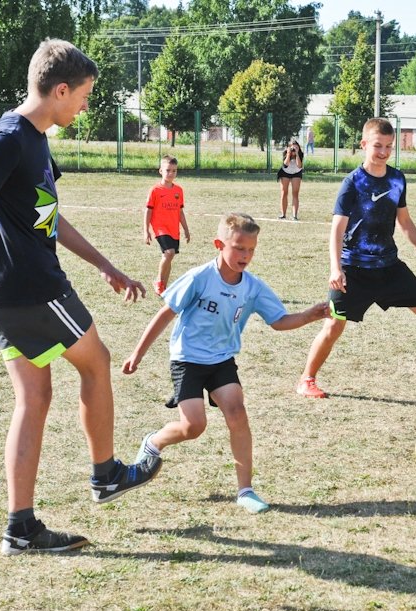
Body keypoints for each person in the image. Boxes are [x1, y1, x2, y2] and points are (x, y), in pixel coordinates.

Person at [0, 39, 158, 556]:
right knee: (96, 363)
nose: (86, 106)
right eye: (85, 95)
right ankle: (107, 473)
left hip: (5, 292)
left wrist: (104, 265)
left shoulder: (35, 139)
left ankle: (20, 528)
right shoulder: (9, 139)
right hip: (28, 289)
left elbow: (47, 214)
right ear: (61, 89)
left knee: (35, 397)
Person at [123, 213, 328, 513]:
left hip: (221, 360)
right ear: (220, 244)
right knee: (194, 427)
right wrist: (137, 353)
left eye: (251, 249)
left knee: (237, 412)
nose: (246, 255)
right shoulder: (199, 278)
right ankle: (154, 442)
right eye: (239, 248)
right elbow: (166, 314)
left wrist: (309, 315)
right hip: (188, 359)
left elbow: (279, 320)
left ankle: (245, 490)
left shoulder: (253, 287)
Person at [295, 117, 416, 399]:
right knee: (334, 325)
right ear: (364, 145)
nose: (383, 152)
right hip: (354, 269)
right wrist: (336, 269)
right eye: (377, 146)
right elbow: (337, 228)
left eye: (388, 146)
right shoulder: (353, 183)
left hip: (389, 267)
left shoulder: (397, 179)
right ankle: (306, 380)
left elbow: (405, 222)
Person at [145, 155, 190, 296]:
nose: (171, 173)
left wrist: (186, 229)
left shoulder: (178, 191)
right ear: (161, 171)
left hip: (173, 229)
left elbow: (180, 212)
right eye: (168, 170)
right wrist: (146, 230)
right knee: (169, 253)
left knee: (170, 256)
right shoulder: (155, 190)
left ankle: (164, 285)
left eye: (174, 171)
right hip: (160, 228)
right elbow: (148, 210)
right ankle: (158, 281)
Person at [277, 140, 303, 220]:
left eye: (296, 147)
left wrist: (297, 154)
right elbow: (285, 165)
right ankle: (283, 214)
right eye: (292, 147)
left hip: (296, 172)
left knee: (295, 193)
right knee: (284, 192)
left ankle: (294, 215)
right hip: (285, 172)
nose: (294, 149)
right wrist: (288, 154)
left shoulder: (301, 154)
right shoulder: (285, 152)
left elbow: (299, 165)